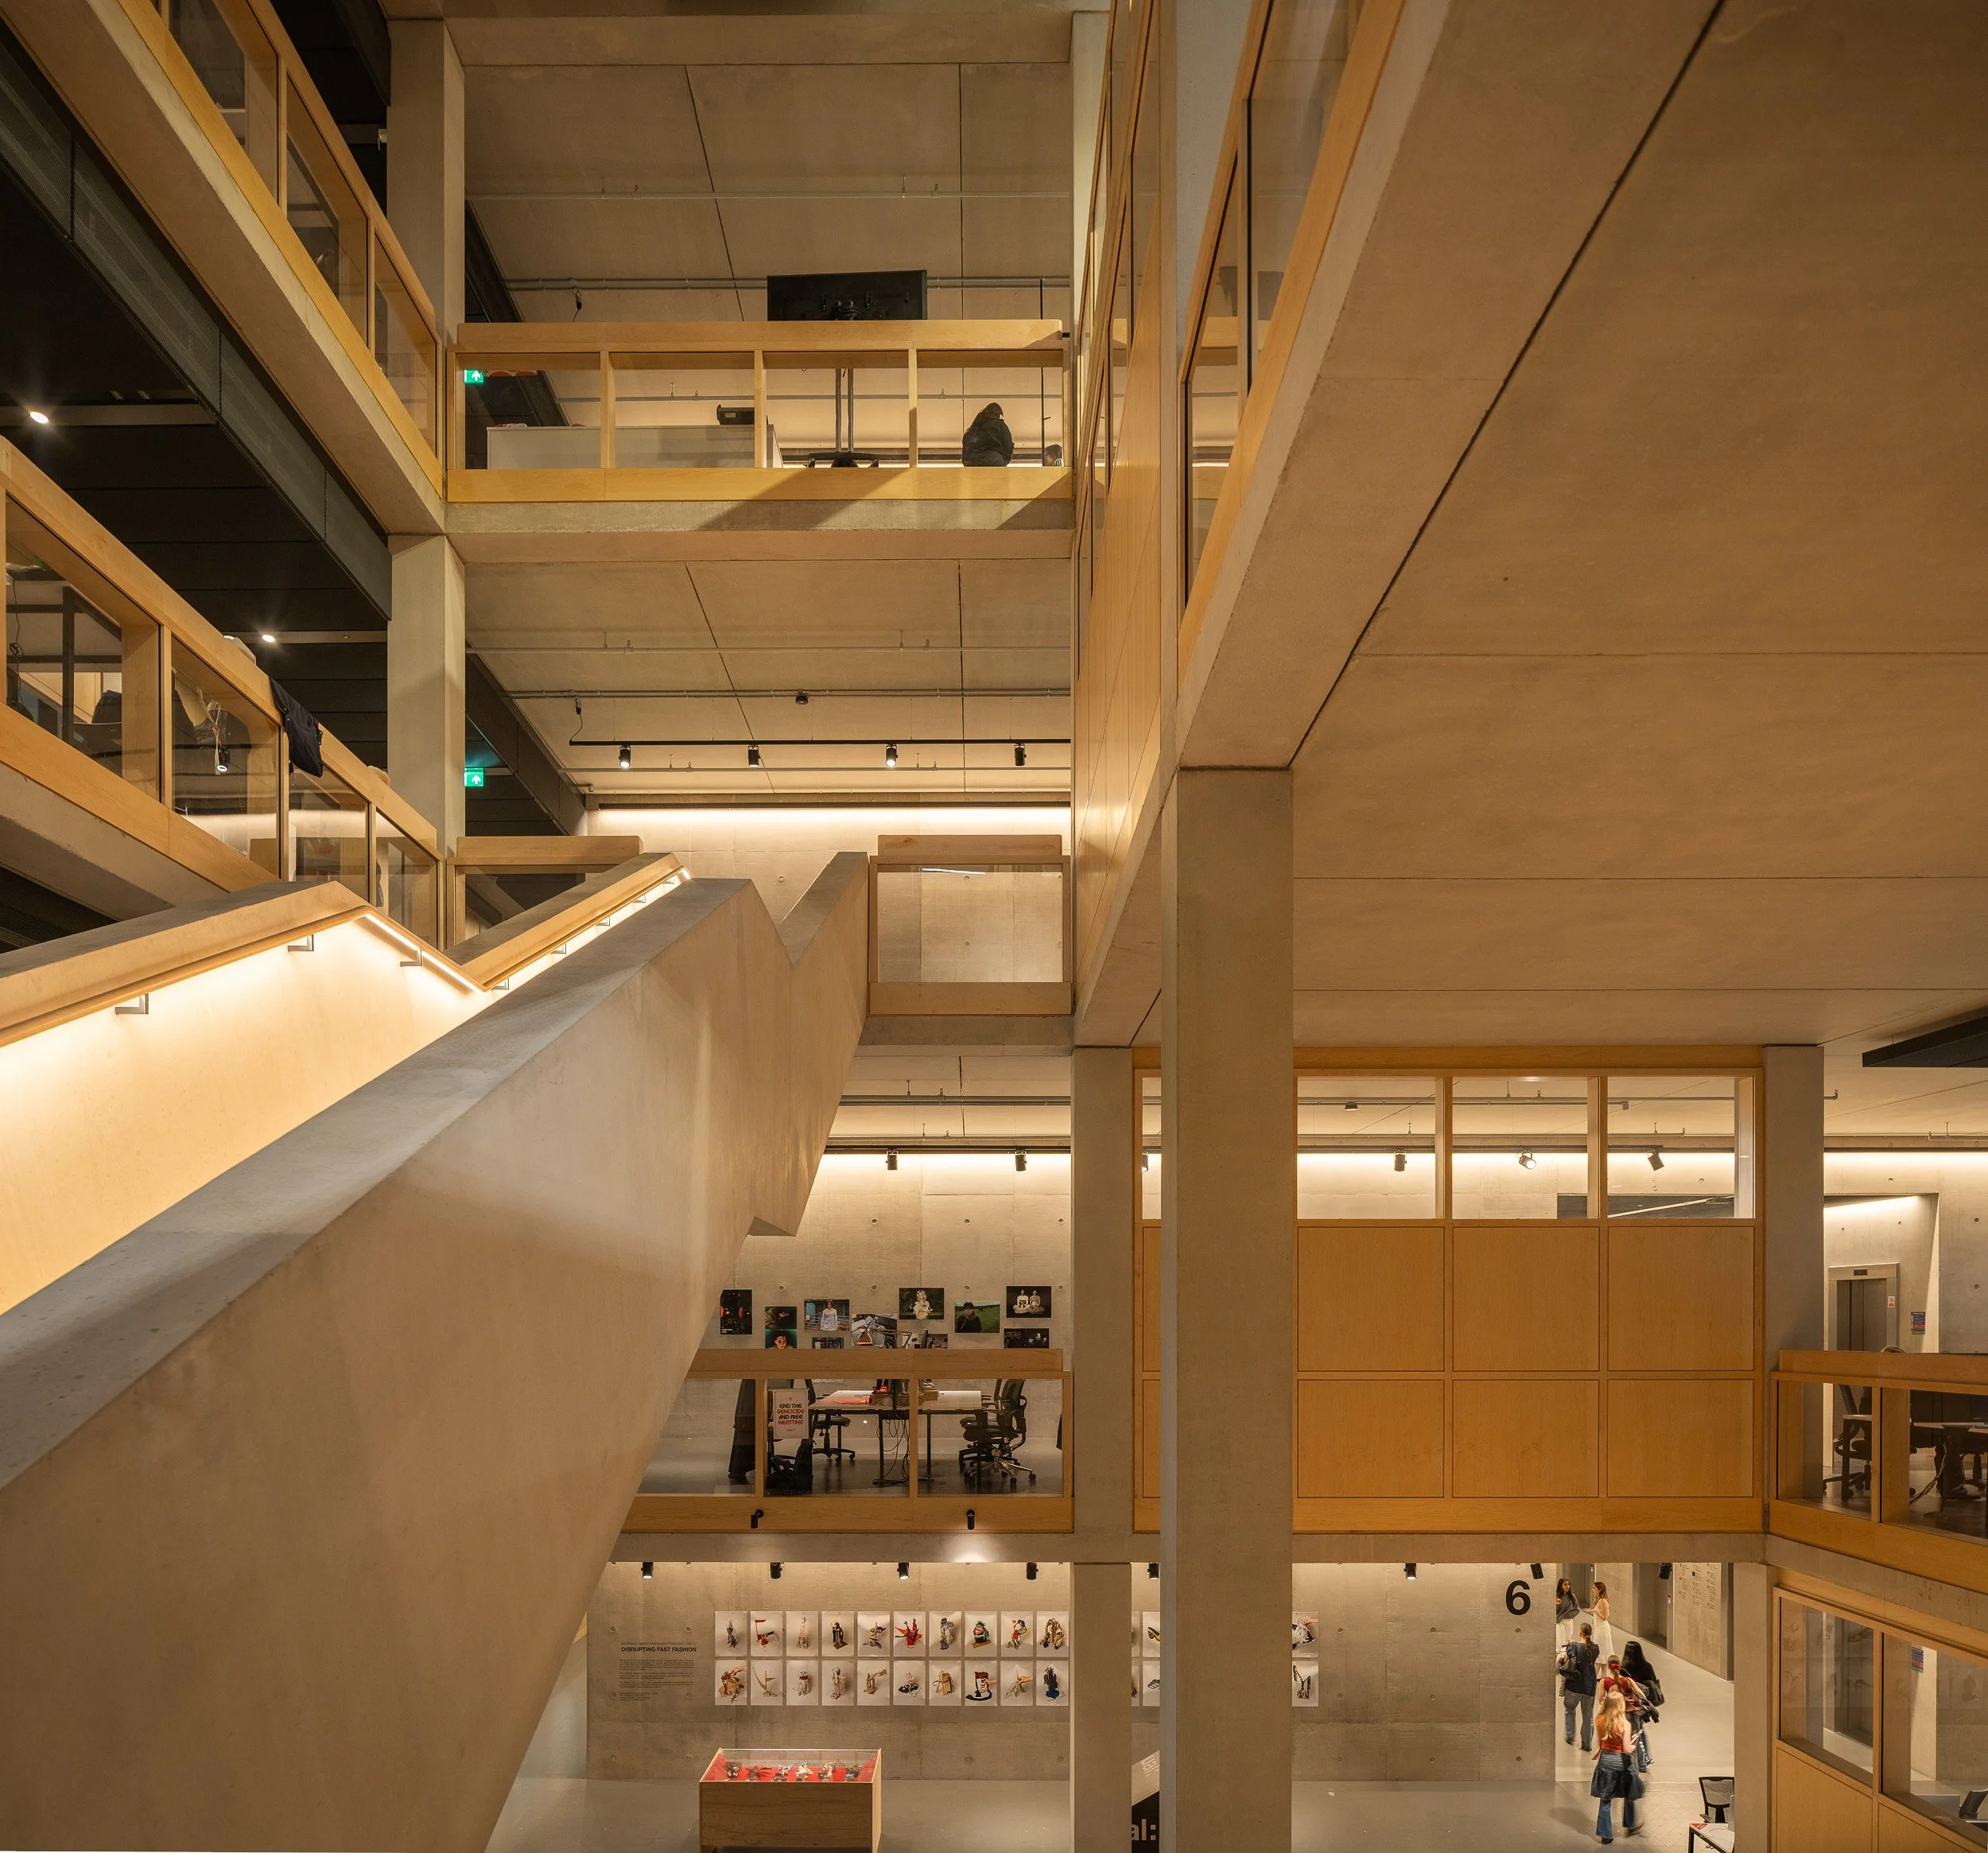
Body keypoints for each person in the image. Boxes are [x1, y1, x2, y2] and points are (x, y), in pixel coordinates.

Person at [1590, 1688, 1642, 1841]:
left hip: (1605, 1762)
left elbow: (1600, 1743)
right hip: (1622, 1763)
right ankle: (1631, 1824)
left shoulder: (1600, 1720)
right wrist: (1635, 1743)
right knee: (1629, 1793)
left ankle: (1605, 1834)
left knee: (1605, 1799)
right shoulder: (1625, 1724)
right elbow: (1627, 1749)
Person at [1618, 1642, 1662, 1767]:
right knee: (1641, 1731)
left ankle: (1637, 1762)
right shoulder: (1647, 1666)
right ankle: (1644, 1761)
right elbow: (1654, 1683)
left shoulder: (1624, 1668)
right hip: (1644, 1704)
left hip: (1630, 1705)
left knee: (1633, 1733)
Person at [1560, 1622, 1599, 1751]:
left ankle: (1571, 1735)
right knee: (1588, 1717)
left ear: (1580, 1633)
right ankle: (1587, 1744)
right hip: (1589, 1687)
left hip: (1574, 1686)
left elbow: (1566, 1661)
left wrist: (1571, 1645)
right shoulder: (1595, 1648)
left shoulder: (1573, 1646)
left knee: (1569, 1709)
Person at [961, 402, 1015, 467]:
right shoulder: (1000, 425)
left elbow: (965, 451)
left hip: (973, 460)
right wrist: (1002, 461)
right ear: (998, 414)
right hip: (994, 459)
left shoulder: (974, 428)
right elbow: (1008, 446)